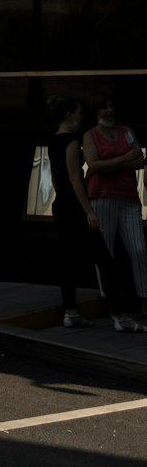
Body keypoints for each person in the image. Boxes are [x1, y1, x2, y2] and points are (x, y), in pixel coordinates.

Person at [47, 95, 125, 330]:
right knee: (105, 260)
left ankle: (70, 312)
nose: (81, 117)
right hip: (75, 207)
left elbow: (56, 179)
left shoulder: (53, 141)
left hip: (61, 206)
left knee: (68, 260)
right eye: (79, 112)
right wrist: (89, 211)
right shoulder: (72, 141)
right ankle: (120, 315)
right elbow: (74, 178)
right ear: (70, 113)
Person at [82, 93, 147, 332]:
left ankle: (143, 299)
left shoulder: (125, 131)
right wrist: (123, 159)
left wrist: (110, 163)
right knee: (105, 254)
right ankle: (109, 302)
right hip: (102, 198)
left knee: (139, 249)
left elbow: (139, 160)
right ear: (95, 112)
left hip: (129, 198)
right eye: (104, 107)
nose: (109, 111)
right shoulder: (90, 135)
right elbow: (94, 165)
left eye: (111, 106)